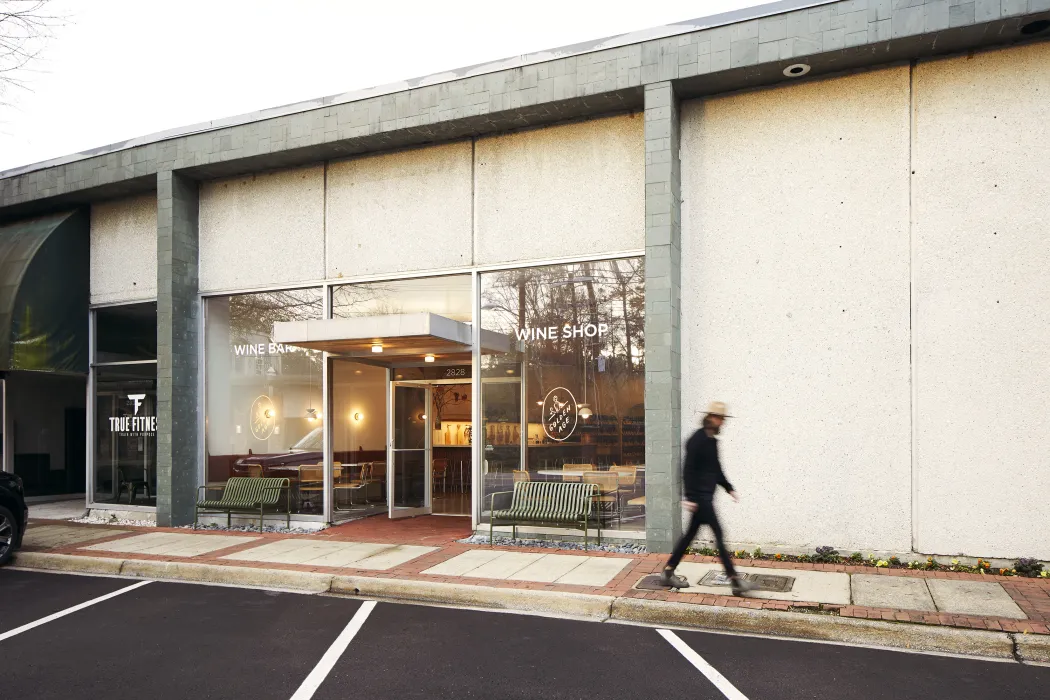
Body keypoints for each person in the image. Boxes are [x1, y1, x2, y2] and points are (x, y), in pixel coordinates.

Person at [660, 401, 755, 596]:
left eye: (723, 419)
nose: (722, 423)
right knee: (719, 535)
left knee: (689, 537)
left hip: (705, 498)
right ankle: (735, 580)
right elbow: (687, 469)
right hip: (700, 499)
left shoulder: (712, 442)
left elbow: (716, 469)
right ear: (710, 418)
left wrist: (729, 488)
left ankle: (668, 571)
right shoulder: (697, 440)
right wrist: (689, 497)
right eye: (719, 418)